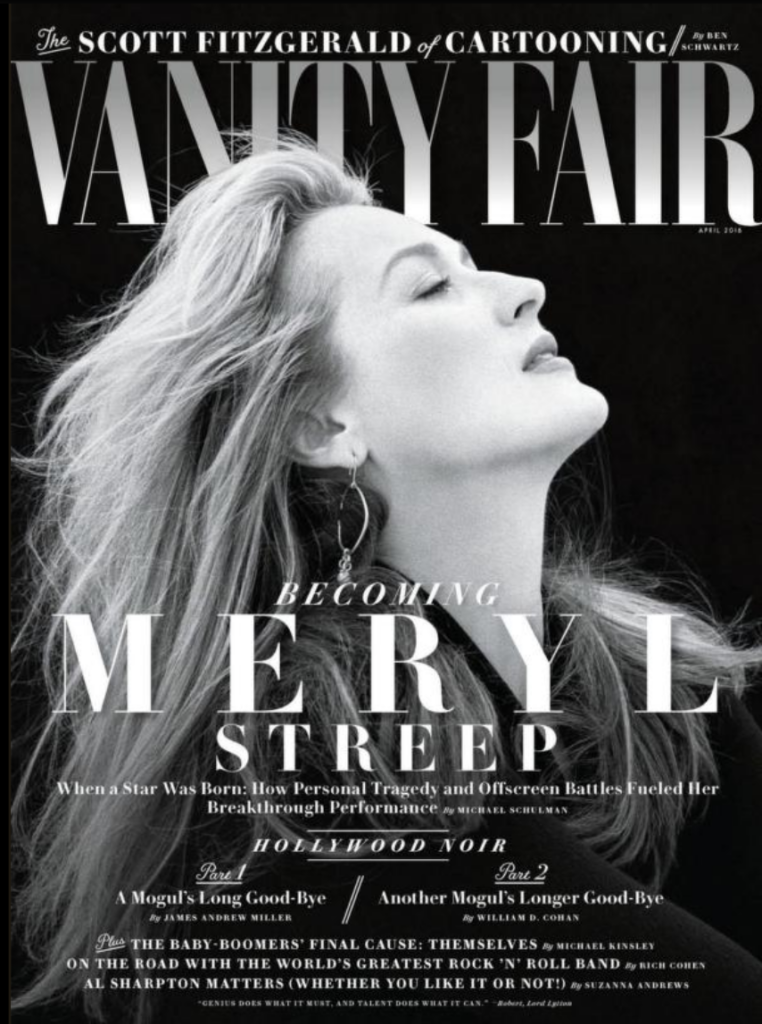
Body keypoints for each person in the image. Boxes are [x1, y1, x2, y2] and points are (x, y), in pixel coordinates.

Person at [11, 129, 762, 1024]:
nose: (524, 289)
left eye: (472, 266)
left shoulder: (665, 698)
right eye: (431, 285)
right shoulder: (306, 777)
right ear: (320, 426)